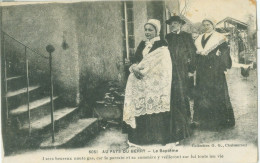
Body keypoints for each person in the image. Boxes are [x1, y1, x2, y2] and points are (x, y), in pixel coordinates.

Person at [123, 19, 173, 146]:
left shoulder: (162, 44)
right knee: (140, 106)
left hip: (154, 82)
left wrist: (147, 72)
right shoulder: (142, 44)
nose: (147, 32)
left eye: (150, 30)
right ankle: (141, 138)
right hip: (140, 82)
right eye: (145, 30)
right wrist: (134, 66)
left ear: (157, 31)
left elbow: (163, 65)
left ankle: (155, 137)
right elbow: (136, 60)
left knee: (153, 107)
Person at [193, 19, 235, 130]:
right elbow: (195, 52)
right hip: (202, 70)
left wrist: (219, 61)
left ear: (213, 25)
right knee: (203, 93)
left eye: (208, 24)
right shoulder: (199, 38)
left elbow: (225, 52)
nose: (206, 26)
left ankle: (219, 121)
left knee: (216, 93)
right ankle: (203, 121)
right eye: (204, 25)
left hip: (215, 70)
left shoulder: (219, 37)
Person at [165, 15, 196, 141]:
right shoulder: (168, 37)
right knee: (173, 94)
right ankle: (175, 123)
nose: (173, 26)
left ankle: (186, 122)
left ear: (180, 25)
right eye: (171, 24)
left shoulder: (186, 36)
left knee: (183, 94)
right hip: (170, 69)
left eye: (176, 23)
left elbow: (192, 53)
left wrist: (191, 69)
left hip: (183, 70)